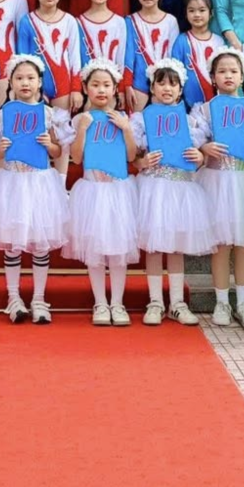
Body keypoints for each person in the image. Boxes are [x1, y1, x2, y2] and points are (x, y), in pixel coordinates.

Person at [0, 54, 70, 325]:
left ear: (39, 82)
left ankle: (39, 298)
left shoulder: (49, 114)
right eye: (19, 78)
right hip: (12, 184)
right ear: (10, 82)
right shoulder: (3, 114)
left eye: (30, 78)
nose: (25, 83)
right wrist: (1, 149)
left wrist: (49, 145)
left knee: (40, 244)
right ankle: (13, 297)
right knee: (13, 244)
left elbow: (58, 152)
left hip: (41, 184)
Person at [194, 45, 244, 326]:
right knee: (221, 245)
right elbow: (195, 142)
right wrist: (205, 147)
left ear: (242, 76)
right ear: (212, 77)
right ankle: (221, 302)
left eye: (233, 71)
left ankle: (243, 302)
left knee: (243, 244)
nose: (228, 76)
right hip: (217, 182)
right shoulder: (205, 110)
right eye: (221, 71)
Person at [133, 58, 213, 325]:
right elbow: (133, 156)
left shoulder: (190, 122)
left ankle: (177, 303)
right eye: (161, 83)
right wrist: (143, 162)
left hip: (181, 188)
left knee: (177, 247)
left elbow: (200, 156)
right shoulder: (142, 120)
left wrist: (199, 158)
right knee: (155, 247)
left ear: (180, 90)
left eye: (173, 84)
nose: (167, 89)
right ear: (152, 88)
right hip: (154, 187)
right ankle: (155, 302)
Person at [66, 60, 142, 327]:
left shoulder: (124, 119)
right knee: (95, 250)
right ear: (85, 88)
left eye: (106, 85)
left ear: (114, 89)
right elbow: (76, 158)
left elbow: (131, 156)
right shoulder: (80, 119)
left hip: (118, 191)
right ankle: (100, 302)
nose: (101, 90)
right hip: (93, 191)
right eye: (95, 85)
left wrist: (126, 129)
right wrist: (82, 129)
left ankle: (117, 303)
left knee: (119, 250)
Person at [15, 0, 86, 107]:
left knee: (62, 121)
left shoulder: (70, 21)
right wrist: (28, 86)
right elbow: (22, 58)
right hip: (35, 86)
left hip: (63, 85)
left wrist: (76, 89)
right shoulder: (27, 21)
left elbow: (75, 57)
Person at [126, 0, 180, 101]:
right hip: (138, 83)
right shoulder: (129, 21)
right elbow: (128, 57)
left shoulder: (171, 21)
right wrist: (127, 85)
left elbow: (174, 56)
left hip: (165, 83)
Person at [76, 0, 129, 90]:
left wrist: (120, 88)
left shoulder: (119, 22)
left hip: (113, 87)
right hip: (87, 87)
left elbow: (121, 57)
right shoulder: (78, 22)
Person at [171, 0, 223, 106]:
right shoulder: (181, 41)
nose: (197, 15)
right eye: (191, 10)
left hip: (217, 102)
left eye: (202, 10)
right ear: (186, 14)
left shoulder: (219, 41)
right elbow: (175, 73)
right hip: (189, 105)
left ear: (211, 13)